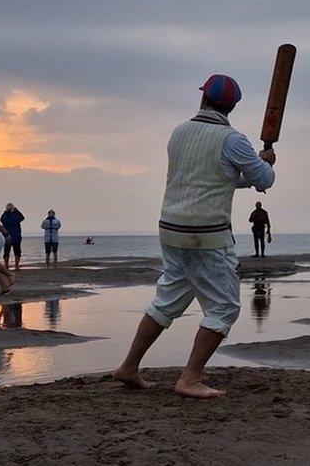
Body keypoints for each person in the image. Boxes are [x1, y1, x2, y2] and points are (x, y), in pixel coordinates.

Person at [114, 73, 275, 398]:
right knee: (224, 308)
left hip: (170, 229)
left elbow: (217, 177)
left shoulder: (179, 132)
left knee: (167, 300)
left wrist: (251, 171)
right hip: (207, 235)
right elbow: (265, 179)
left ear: (203, 98)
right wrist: (263, 162)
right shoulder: (232, 140)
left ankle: (129, 366)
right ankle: (189, 378)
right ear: (231, 106)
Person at [0, 203, 26, 270]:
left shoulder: (6, 215)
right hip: (12, 234)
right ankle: (13, 266)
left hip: (11, 235)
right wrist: (16, 211)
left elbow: (22, 218)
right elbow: (22, 218)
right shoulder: (10, 215)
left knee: (10, 250)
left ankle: (10, 266)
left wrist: (15, 211)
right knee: (12, 250)